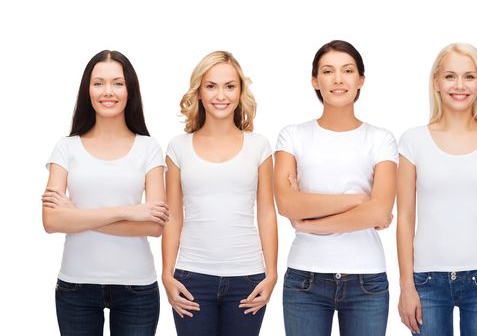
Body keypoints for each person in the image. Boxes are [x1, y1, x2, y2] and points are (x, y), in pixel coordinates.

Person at [274, 40, 397, 336]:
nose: (338, 79)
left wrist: (309, 222)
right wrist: (358, 200)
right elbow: (287, 205)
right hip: (306, 279)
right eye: (328, 71)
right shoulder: (292, 136)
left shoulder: (381, 139)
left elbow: (380, 210)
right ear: (315, 80)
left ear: (361, 80)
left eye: (348, 71)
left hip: (366, 279)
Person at [42, 50, 168, 336]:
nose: (107, 91)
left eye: (117, 83)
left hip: (136, 288)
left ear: (130, 90)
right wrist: (128, 211)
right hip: (76, 286)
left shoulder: (149, 148)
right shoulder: (66, 147)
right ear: (87, 90)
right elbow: (51, 221)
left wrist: (77, 215)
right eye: (98, 83)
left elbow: (154, 225)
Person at [397, 43, 477, 336]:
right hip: (426, 281)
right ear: (436, 82)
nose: (459, 85)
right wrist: (406, 287)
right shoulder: (412, 142)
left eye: (469, 76)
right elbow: (404, 219)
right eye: (450, 76)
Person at [162, 51, 278, 336]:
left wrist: (272, 274)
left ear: (240, 92)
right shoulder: (178, 147)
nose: (220, 95)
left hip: (248, 277)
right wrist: (167, 274)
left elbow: (266, 213)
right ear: (198, 92)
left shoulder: (259, 146)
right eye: (211, 86)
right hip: (191, 277)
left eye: (229, 86)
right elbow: (173, 216)